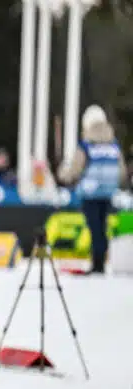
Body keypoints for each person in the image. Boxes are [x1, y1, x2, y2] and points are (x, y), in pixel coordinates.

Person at [58, 105, 128, 274]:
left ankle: (97, 263)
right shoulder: (114, 146)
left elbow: (75, 169)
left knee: (94, 227)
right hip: (108, 192)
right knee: (102, 227)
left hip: (90, 193)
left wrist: (63, 175)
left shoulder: (86, 145)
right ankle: (101, 261)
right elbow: (122, 171)